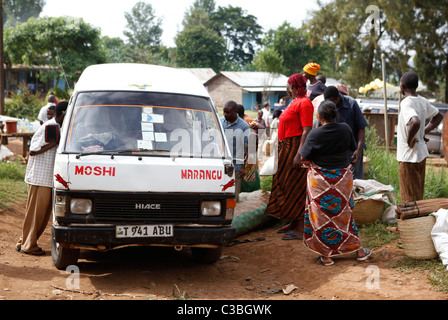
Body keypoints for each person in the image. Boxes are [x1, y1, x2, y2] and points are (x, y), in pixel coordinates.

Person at [300, 100, 372, 265]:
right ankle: (358, 251)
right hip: (342, 181)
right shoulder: (345, 129)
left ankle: (326, 256)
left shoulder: (315, 134)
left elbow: (304, 157)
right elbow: (352, 147)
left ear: (318, 116)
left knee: (321, 218)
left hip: (320, 183)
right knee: (344, 215)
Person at [265, 73, 314, 240]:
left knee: (296, 186)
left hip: (294, 148)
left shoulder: (305, 103)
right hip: (285, 148)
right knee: (286, 185)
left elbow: (306, 130)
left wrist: (299, 154)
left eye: (289, 86)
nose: (288, 88)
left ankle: (301, 228)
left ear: (294, 87)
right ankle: (293, 222)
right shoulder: (294, 102)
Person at [16, 101, 68, 256]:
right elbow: (32, 150)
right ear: (64, 113)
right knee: (37, 215)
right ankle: (29, 245)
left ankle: (23, 242)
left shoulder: (58, 127)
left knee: (39, 215)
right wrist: (52, 144)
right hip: (40, 178)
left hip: (46, 179)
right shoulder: (50, 127)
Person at [397, 72, 443, 203]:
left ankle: (411, 222)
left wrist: (409, 140)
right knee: (417, 194)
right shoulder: (423, 101)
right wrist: (423, 132)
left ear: (403, 86)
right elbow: (438, 116)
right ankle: (417, 222)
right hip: (421, 153)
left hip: (408, 156)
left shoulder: (406, 103)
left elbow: (415, 121)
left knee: (408, 196)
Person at [323, 86, 369, 180]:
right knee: (338, 181)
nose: (330, 105)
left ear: (338, 98)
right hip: (335, 150)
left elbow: (361, 128)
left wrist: (359, 150)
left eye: (332, 102)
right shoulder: (326, 106)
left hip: (352, 150)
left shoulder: (351, 104)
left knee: (355, 181)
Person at [221, 101, 250, 201]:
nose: (225, 114)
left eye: (228, 112)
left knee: (233, 197)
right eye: (224, 112)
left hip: (236, 167)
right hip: (221, 164)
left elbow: (248, 149)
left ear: (235, 111)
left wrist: (243, 167)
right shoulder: (221, 122)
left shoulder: (244, 127)